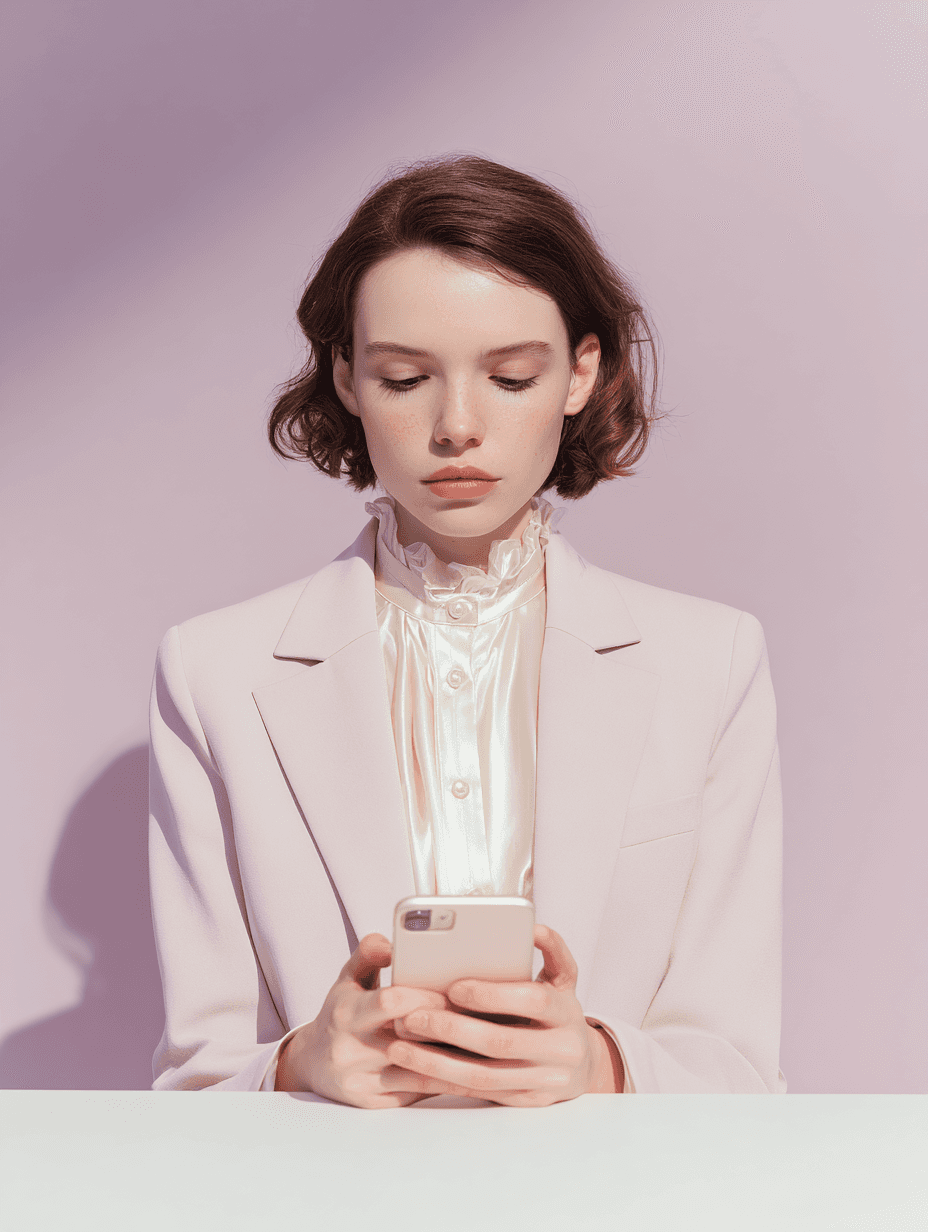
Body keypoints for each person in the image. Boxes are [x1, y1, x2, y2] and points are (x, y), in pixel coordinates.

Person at [148, 155, 785, 1104]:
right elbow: (192, 1087)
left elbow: (738, 1070)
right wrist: (302, 1063)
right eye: (404, 378)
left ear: (580, 372)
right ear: (347, 381)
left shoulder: (713, 662)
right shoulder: (213, 673)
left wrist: (600, 1062)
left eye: (511, 375)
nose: (457, 426)